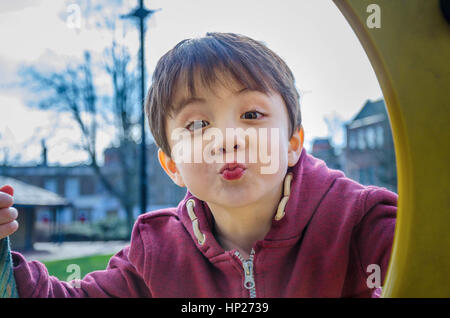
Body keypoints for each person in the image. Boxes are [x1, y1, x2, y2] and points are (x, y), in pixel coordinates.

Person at [0, 32, 396, 297]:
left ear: (293, 144)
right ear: (172, 165)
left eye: (252, 115)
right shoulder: (155, 252)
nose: (226, 138)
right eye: (198, 123)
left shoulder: (359, 222)